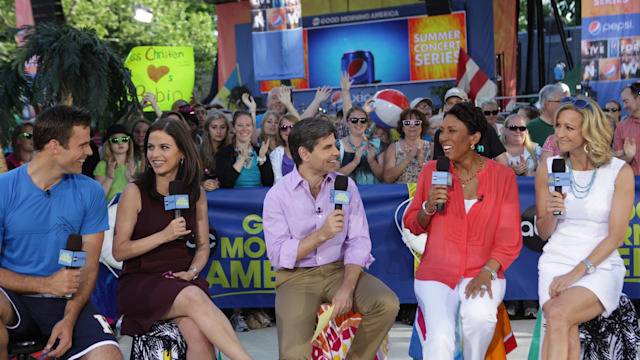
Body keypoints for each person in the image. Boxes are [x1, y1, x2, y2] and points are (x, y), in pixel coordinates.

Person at [112, 118, 252, 360]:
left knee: (200, 336)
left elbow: (203, 246)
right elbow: (119, 251)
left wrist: (192, 272)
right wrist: (163, 236)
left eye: (164, 147)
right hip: (141, 284)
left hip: (181, 280)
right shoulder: (134, 192)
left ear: (182, 153)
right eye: (151, 147)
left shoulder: (196, 194)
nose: (155, 154)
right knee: (193, 297)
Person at [263, 118, 399, 359]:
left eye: (335, 145)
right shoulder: (277, 196)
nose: (337, 152)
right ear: (304, 154)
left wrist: (347, 287)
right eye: (327, 147)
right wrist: (321, 235)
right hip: (296, 277)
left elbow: (359, 240)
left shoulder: (346, 186)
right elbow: (279, 254)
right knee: (294, 355)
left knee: (386, 304)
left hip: (339, 269)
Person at [0, 105, 122, 360]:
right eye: (82, 145)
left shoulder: (91, 191)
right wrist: (45, 284)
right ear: (55, 146)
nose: (90, 152)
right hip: (14, 300)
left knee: (109, 355)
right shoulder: (4, 188)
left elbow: (89, 267)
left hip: (68, 302)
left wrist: (69, 319)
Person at [403, 102, 522, 360]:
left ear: (474, 138)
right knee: (441, 336)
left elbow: (510, 238)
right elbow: (412, 222)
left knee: (479, 318)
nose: (443, 137)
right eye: (442, 130)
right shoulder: (431, 171)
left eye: (452, 131)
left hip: (484, 269)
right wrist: (428, 207)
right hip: (436, 272)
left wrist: (488, 271)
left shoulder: (503, 176)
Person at [534, 96, 634, 359]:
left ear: (589, 130)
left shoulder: (618, 171)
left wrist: (576, 273)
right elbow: (543, 232)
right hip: (555, 262)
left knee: (557, 314)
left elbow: (616, 237)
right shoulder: (549, 168)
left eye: (569, 127)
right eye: (557, 126)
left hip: (599, 266)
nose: (559, 133)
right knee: (564, 332)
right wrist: (553, 213)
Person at [432, 89, 508, 166]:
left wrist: (499, 176)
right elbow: (438, 164)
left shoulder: (485, 128)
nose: (454, 106)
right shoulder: (441, 133)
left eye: (458, 102)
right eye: (450, 103)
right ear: (445, 107)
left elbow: (501, 158)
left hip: (484, 175)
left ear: (467, 103)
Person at [216, 111, 274, 188]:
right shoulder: (224, 153)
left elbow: (268, 183)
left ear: (252, 128)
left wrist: (262, 158)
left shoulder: (260, 152)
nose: (244, 129)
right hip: (233, 199)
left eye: (248, 125)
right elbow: (226, 182)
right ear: (233, 128)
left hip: (257, 198)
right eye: (240, 125)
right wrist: (242, 157)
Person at [336, 106, 385, 184]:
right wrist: (355, 162)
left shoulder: (377, 143)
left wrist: (372, 162)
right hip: (347, 195)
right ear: (347, 123)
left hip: (374, 194)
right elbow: (334, 177)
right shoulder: (337, 145)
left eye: (363, 120)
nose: (359, 123)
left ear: (367, 123)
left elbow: (383, 177)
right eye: (354, 120)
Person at [384, 108, 431, 184]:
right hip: (401, 194)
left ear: (422, 126)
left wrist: (422, 164)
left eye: (416, 123)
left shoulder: (431, 147)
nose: (412, 126)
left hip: (424, 193)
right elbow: (388, 179)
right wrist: (407, 160)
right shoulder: (393, 148)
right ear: (402, 127)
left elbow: (436, 177)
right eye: (407, 123)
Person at [94, 125, 138, 202]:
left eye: (124, 139)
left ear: (129, 142)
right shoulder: (102, 165)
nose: (120, 143)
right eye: (115, 140)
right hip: (109, 210)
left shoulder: (137, 164)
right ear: (109, 144)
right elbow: (99, 197)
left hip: (131, 208)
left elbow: (141, 195)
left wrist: (131, 178)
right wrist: (110, 178)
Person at [613, 82, 640, 175]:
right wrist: (628, 157)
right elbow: (616, 164)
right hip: (631, 182)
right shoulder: (622, 127)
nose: (624, 106)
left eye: (626, 101)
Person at [200, 111, 230, 192]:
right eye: (214, 127)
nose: (219, 131)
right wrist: (202, 184)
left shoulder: (232, 150)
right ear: (207, 129)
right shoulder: (198, 151)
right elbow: (190, 179)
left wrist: (219, 184)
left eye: (222, 127)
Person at [269, 114, 299, 184]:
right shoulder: (275, 154)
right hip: (284, 192)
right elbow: (277, 179)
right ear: (279, 131)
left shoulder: (308, 149)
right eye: (284, 127)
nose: (288, 130)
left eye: (292, 127)